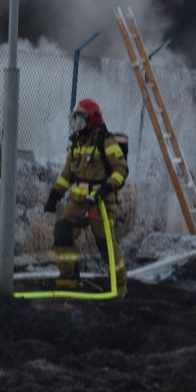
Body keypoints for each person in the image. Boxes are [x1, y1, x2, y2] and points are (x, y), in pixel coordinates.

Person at [44, 98, 128, 296]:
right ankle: (69, 278)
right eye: (75, 121)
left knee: (106, 245)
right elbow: (67, 175)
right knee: (63, 233)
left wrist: (104, 189)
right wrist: (55, 195)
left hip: (100, 202)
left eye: (80, 120)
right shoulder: (76, 144)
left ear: (91, 120)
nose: (77, 125)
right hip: (77, 201)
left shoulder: (106, 142)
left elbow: (121, 171)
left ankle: (119, 286)